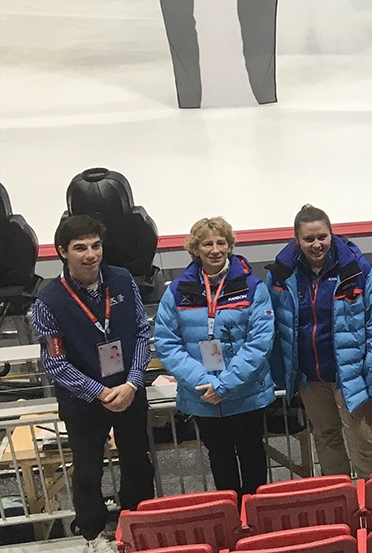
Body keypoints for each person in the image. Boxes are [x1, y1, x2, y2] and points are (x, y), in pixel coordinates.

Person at [32, 215, 155, 553]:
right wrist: (98, 391)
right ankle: (92, 534)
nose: (90, 254)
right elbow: (55, 364)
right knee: (87, 471)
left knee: (137, 462)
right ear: (62, 252)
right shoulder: (48, 301)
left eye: (95, 246)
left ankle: (138, 522)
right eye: (80, 248)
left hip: (129, 392)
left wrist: (132, 383)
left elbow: (143, 333)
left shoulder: (122, 279)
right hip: (84, 402)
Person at [154, 217, 275, 498]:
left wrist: (225, 384)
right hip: (202, 396)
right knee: (219, 459)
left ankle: (256, 520)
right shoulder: (177, 292)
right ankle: (231, 518)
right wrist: (204, 382)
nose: (215, 249)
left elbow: (259, 343)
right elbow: (167, 343)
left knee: (252, 455)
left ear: (230, 246)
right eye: (207, 243)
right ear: (195, 249)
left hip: (245, 394)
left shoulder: (252, 287)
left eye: (221, 242)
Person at [266, 205, 372, 477]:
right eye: (308, 239)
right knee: (325, 438)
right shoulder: (282, 274)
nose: (316, 244)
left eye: (322, 237)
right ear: (297, 240)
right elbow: (274, 325)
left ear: (332, 235)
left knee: (362, 441)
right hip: (310, 376)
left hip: (351, 374)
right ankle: (342, 502)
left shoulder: (358, 270)